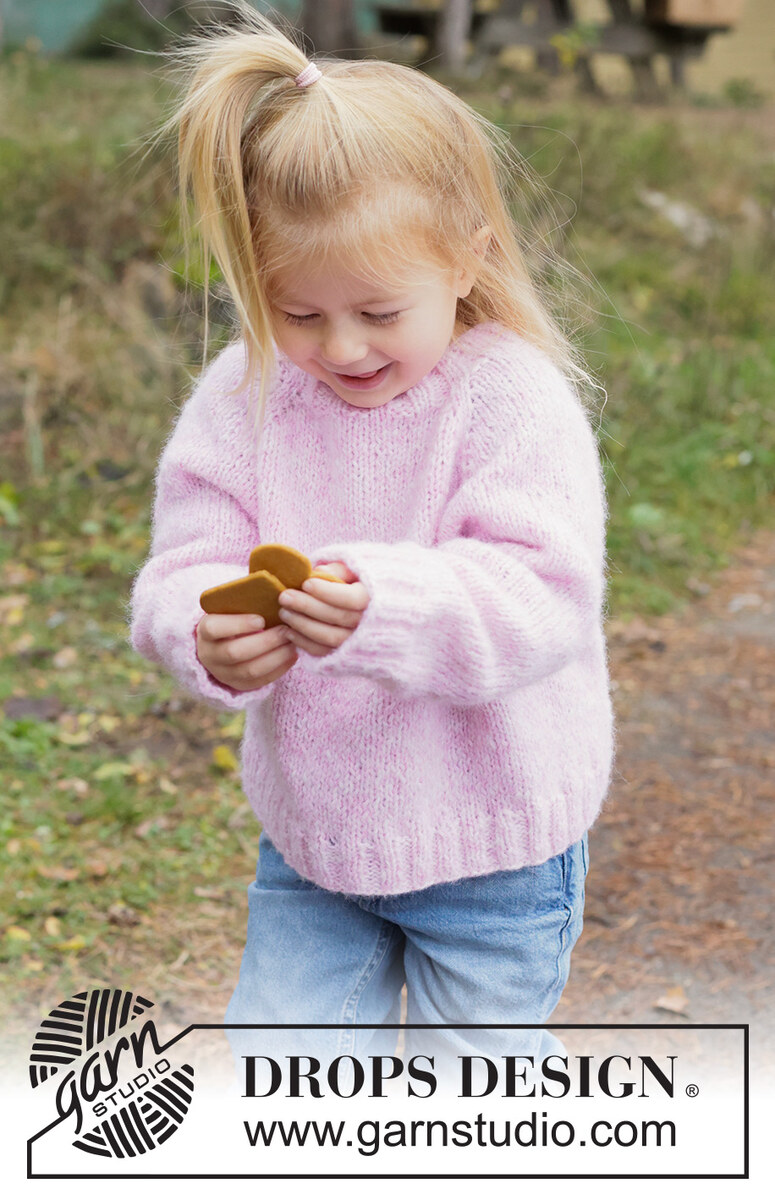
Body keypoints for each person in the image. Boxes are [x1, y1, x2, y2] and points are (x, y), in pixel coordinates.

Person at [129, 4, 614, 1086]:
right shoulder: (246, 396)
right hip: (317, 841)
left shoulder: (509, 400)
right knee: (284, 1075)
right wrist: (204, 632)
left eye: (379, 312)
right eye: (297, 314)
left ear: (466, 260)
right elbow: (183, 566)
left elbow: (541, 596)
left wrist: (383, 607)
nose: (341, 347)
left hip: (495, 848)